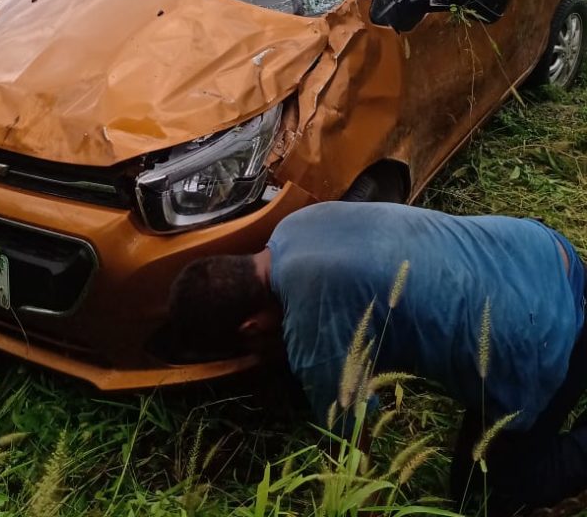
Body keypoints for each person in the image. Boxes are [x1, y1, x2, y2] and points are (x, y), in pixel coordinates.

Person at [166, 201, 587, 517]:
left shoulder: (314, 316)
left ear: (251, 329)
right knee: (466, 486)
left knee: (498, 496)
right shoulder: (292, 228)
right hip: (540, 254)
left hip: (541, 333)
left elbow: (352, 461)